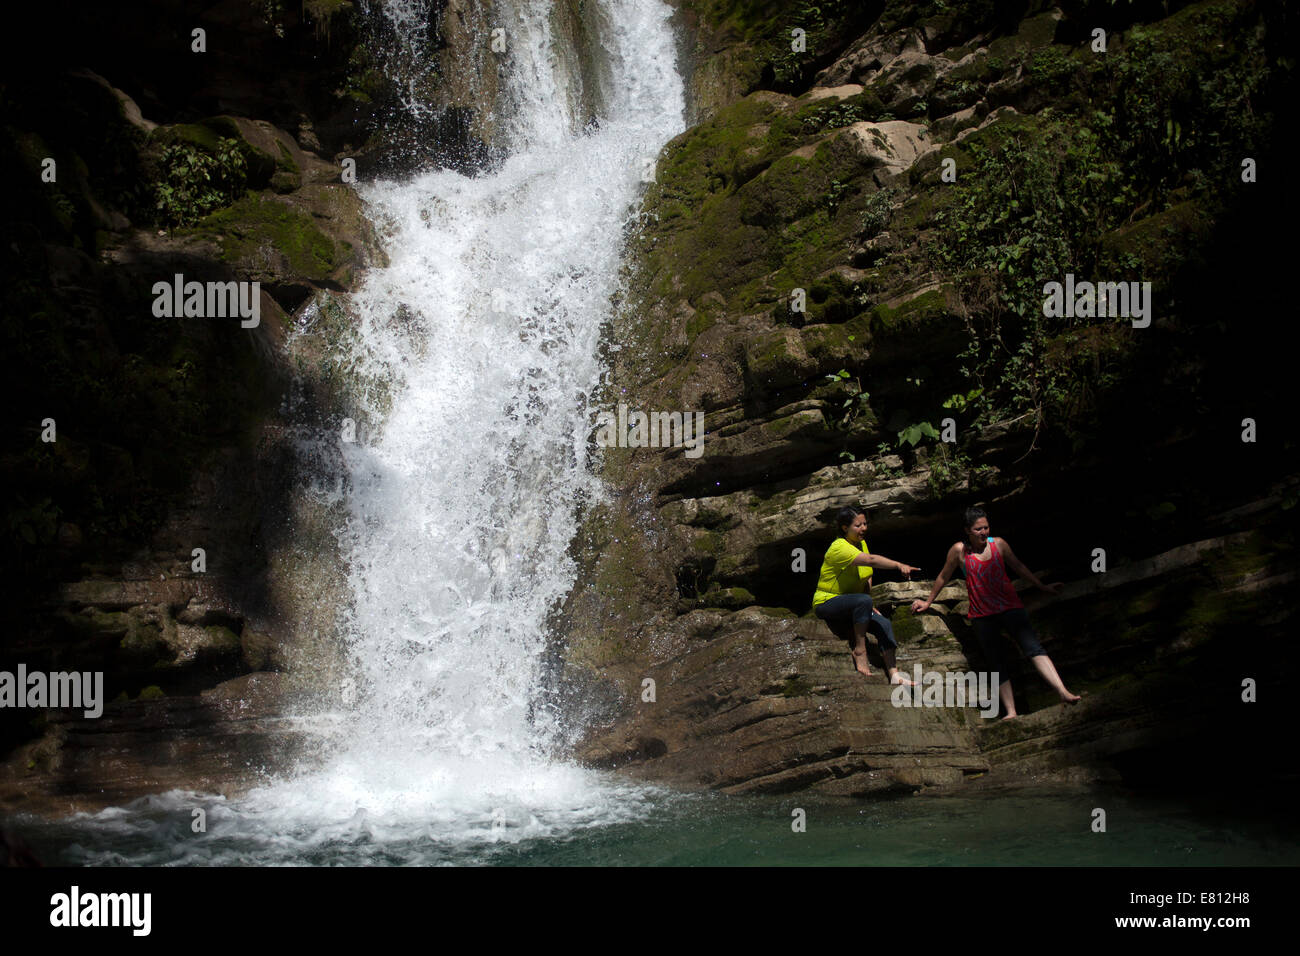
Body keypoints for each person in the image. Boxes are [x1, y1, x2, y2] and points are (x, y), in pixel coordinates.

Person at [910, 506, 1080, 719]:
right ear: (967, 531)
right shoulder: (959, 551)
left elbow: (1018, 567)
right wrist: (928, 602)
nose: (983, 532)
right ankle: (1011, 711)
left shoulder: (998, 544)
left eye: (986, 527)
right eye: (978, 529)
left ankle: (1062, 692)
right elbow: (943, 576)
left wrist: (1042, 587)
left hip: (1011, 608)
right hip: (982, 616)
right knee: (996, 662)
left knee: (1033, 648)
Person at [812, 506, 920, 684]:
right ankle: (860, 650)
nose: (864, 528)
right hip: (827, 602)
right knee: (863, 601)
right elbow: (871, 560)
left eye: (865, 524)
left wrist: (869, 604)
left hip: (853, 603)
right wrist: (898, 565)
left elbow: (867, 574)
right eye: (858, 525)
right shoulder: (839, 547)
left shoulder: (861, 544)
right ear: (845, 528)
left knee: (883, 622)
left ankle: (894, 674)